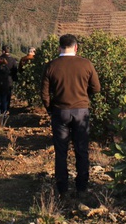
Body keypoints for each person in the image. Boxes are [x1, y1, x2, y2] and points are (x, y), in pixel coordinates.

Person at [41, 34, 101, 197]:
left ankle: (63, 189)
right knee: (81, 150)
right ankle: (82, 187)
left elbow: (44, 93)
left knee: (61, 151)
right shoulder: (86, 64)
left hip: (60, 112)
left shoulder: (51, 66)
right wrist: (83, 96)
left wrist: (50, 108)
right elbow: (96, 88)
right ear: (76, 47)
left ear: (59, 47)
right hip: (81, 112)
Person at [0, 45, 18, 116]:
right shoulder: (13, 60)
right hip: (8, 81)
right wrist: (14, 78)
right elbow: (15, 71)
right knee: (6, 98)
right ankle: (5, 111)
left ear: (3, 51)